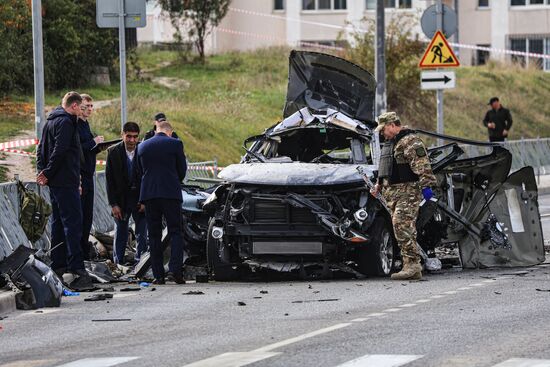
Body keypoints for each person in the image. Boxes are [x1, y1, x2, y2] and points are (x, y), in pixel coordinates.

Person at [36, 91, 94, 291]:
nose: (83, 111)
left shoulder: (50, 121)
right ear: (75, 106)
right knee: (73, 224)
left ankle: (58, 265)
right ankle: (77, 268)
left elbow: (41, 149)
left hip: (56, 182)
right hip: (65, 181)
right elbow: (60, 150)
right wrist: (49, 172)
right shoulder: (68, 122)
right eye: (81, 107)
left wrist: (42, 173)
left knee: (58, 224)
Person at [371, 112, 438, 281]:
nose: (382, 133)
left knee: (401, 225)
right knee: (399, 228)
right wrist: (379, 184)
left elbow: (422, 165)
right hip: (392, 193)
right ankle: (410, 264)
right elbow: (386, 167)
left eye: (384, 128)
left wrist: (427, 187)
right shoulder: (391, 143)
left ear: (392, 125)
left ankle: (413, 265)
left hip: (407, 192)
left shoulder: (410, 141)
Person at [136, 121, 187, 284]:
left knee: (154, 234)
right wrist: (173, 180)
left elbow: (138, 172)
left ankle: (158, 275)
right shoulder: (176, 144)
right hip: (170, 193)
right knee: (175, 232)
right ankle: (175, 271)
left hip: (150, 195)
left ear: (156, 130)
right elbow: (182, 170)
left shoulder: (143, 146)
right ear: (170, 132)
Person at [105, 122, 148, 265]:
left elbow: (147, 177)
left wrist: (145, 201)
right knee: (121, 231)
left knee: (142, 232)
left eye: (135, 137)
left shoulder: (144, 150)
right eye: (128, 137)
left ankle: (140, 262)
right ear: (122, 135)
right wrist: (113, 204)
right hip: (121, 200)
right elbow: (109, 181)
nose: (132, 141)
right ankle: (119, 262)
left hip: (139, 199)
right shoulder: (113, 152)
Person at [77, 94, 104, 260]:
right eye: (86, 106)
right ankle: (78, 253)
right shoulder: (76, 125)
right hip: (81, 176)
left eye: (91, 106)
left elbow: (88, 149)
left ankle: (84, 251)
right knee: (80, 217)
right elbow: (79, 148)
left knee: (88, 216)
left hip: (89, 174)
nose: (89, 109)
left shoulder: (86, 125)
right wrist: (94, 142)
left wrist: (98, 146)